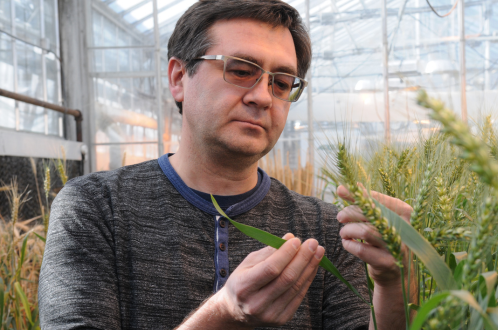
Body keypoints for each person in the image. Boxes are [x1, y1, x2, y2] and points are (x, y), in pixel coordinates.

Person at [38, 1, 415, 329]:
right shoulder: (95, 207)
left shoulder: (323, 229)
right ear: (178, 77)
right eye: (240, 70)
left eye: (281, 83)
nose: (263, 97)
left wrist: (395, 281)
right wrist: (222, 315)